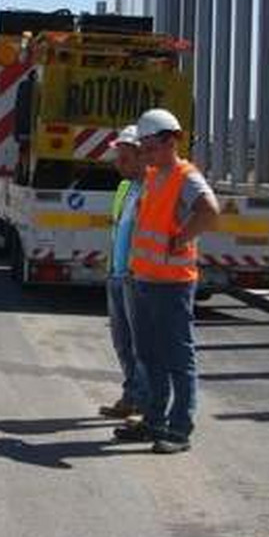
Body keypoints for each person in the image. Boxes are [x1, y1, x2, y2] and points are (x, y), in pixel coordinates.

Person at [114, 109, 220, 455]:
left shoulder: (184, 176)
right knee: (148, 355)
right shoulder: (155, 176)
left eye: (149, 147)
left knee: (177, 357)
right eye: (142, 148)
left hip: (172, 283)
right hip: (145, 279)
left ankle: (179, 429)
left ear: (170, 141)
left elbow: (210, 211)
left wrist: (182, 239)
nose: (145, 154)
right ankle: (154, 420)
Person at [99, 125, 148, 419]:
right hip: (117, 276)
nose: (118, 164)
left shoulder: (153, 189)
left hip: (136, 277)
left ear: (143, 157)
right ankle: (131, 395)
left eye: (125, 158)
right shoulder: (125, 188)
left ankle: (144, 401)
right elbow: (119, 230)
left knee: (141, 344)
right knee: (122, 342)